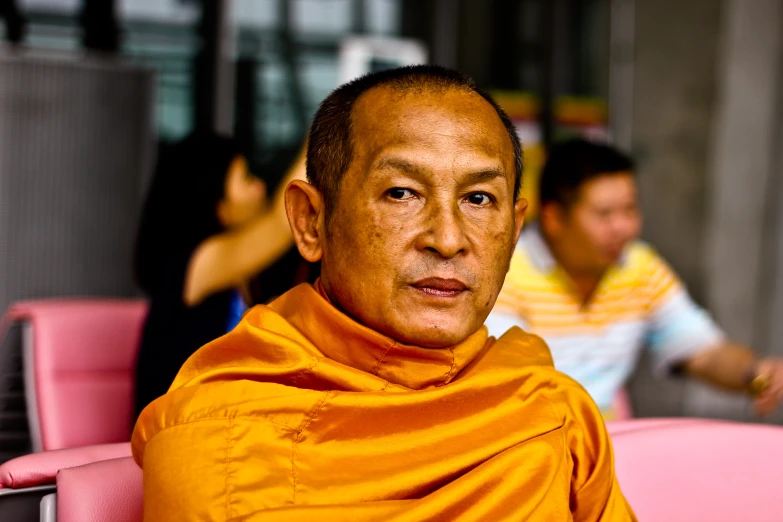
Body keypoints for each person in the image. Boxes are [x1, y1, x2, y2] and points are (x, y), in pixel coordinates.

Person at [132, 66, 635, 520]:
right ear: (311, 222)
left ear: (515, 226)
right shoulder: (220, 440)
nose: (449, 238)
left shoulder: (550, 407)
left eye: (479, 199)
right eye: (402, 193)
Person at [486, 138, 783, 418]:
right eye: (604, 214)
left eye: (630, 209)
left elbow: (703, 352)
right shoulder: (503, 273)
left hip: (611, 446)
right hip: (531, 446)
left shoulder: (639, 267)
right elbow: (512, 384)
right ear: (553, 219)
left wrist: (755, 373)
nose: (623, 227)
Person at [133, 133, 309, 419]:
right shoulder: (195, 265)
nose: (259, 187)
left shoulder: (242, 277)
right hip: (171, 443)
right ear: (218, 206)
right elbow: (281, 223)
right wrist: (328, 128)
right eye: (245, 179)